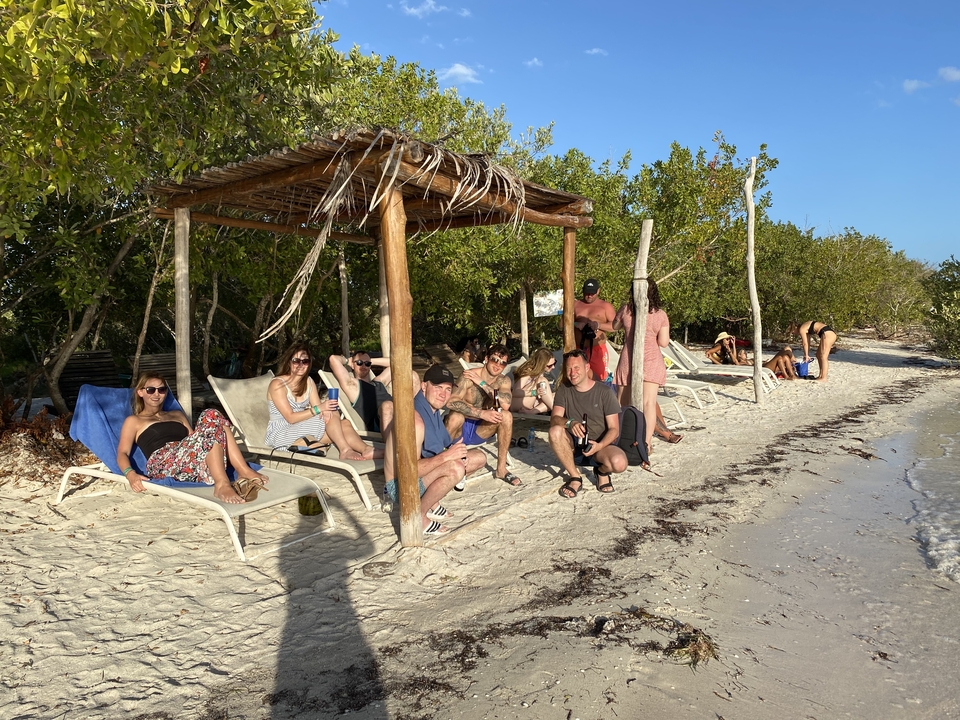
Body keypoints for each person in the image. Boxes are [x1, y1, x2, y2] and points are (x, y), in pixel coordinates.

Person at [117, 373, 267, 504]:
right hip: (164, 462)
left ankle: (243, 470)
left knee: (212, 415)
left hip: (187, 456)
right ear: (140, 392)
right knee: (211, 416)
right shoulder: (134, 421)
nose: (156, 394)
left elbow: (199, 439)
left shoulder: (177, 414)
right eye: (151, 390)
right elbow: (122, 453)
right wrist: (130, 474)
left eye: (161, 389)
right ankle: (222, 484)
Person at [383, 365, 487, 535]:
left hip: (416, 476)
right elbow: (409, 471)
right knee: (455, 469)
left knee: (479, 458)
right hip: (401, 486)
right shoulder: (415, 421)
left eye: (447, 389)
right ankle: (418, 516)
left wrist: (454, 453)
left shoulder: (432, 410)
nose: (443, 394)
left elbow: (442, 445)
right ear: (424, 386)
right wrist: (448, 457)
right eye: (437, 387)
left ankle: (430, 501)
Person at [264, 343, 380, 460]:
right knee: (332, 413)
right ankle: (345, 450)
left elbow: (319, 409)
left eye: (305, 361)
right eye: (296, 361)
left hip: (300, 430)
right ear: (289, 362)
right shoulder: (277, 384)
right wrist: (321, 409)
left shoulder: (308, 381)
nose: (300, 365)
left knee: (344, 423)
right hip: (281, 434)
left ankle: (366, 450)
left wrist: (323, 409)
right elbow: (291, 418)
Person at [548, 349, 628, 497]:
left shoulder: (604, 392)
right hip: (574, 445)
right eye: (569, 369)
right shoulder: (564, 390)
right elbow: (554, 419)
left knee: (619, 463)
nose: (572, 373)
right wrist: (570, 423)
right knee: (555, 431)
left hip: (600, 446)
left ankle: (601, 472)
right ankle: (575, 476)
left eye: (576, 368)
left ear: (586, 367)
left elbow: (614, 429)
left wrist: (600, 445)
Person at [445, 344, 521, 486]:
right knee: (456, 416)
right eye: (494, 360)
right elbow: (450, 402)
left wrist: (481, 383)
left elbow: (505, 405)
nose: (498, 365)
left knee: (507, 416)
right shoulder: (468, 375)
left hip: (481, 429)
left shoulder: (503, 380)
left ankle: (501, 469)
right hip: (460, 427)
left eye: (503, 362)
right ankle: (439, 460)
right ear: (486, 359)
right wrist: (482, 413)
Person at [612, 293, 682, 445]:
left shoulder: (626, 309)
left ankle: (622, 438)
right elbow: (663, 342)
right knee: (649, 403)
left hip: (628, 358)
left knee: (622, 402)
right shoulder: (660, 314)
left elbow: (614, 326)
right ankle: (646, 442)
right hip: (651, 359)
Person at [573, 278, 616, 382]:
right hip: (578, 348)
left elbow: (615, 327)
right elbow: (561, 325)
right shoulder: (575, 305)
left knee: (599, 379)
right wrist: (576, 324)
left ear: (598, 291)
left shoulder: (605, 306)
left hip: (597, 349)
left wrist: (598, 324)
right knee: (577, 379)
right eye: (587, 293)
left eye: (592, 293)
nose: (589, 296)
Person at [510, 348, 557, 415]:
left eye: (554, 363)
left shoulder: (539, 372)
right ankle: (557, 412)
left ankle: (531, 412)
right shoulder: (528, 371)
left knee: (555, 396)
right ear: (542, 364)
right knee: (542, 380)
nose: (553, 367)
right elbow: (515, 392)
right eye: (550, 365)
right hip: (516, 402)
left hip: (529, 402)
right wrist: (534, 392)